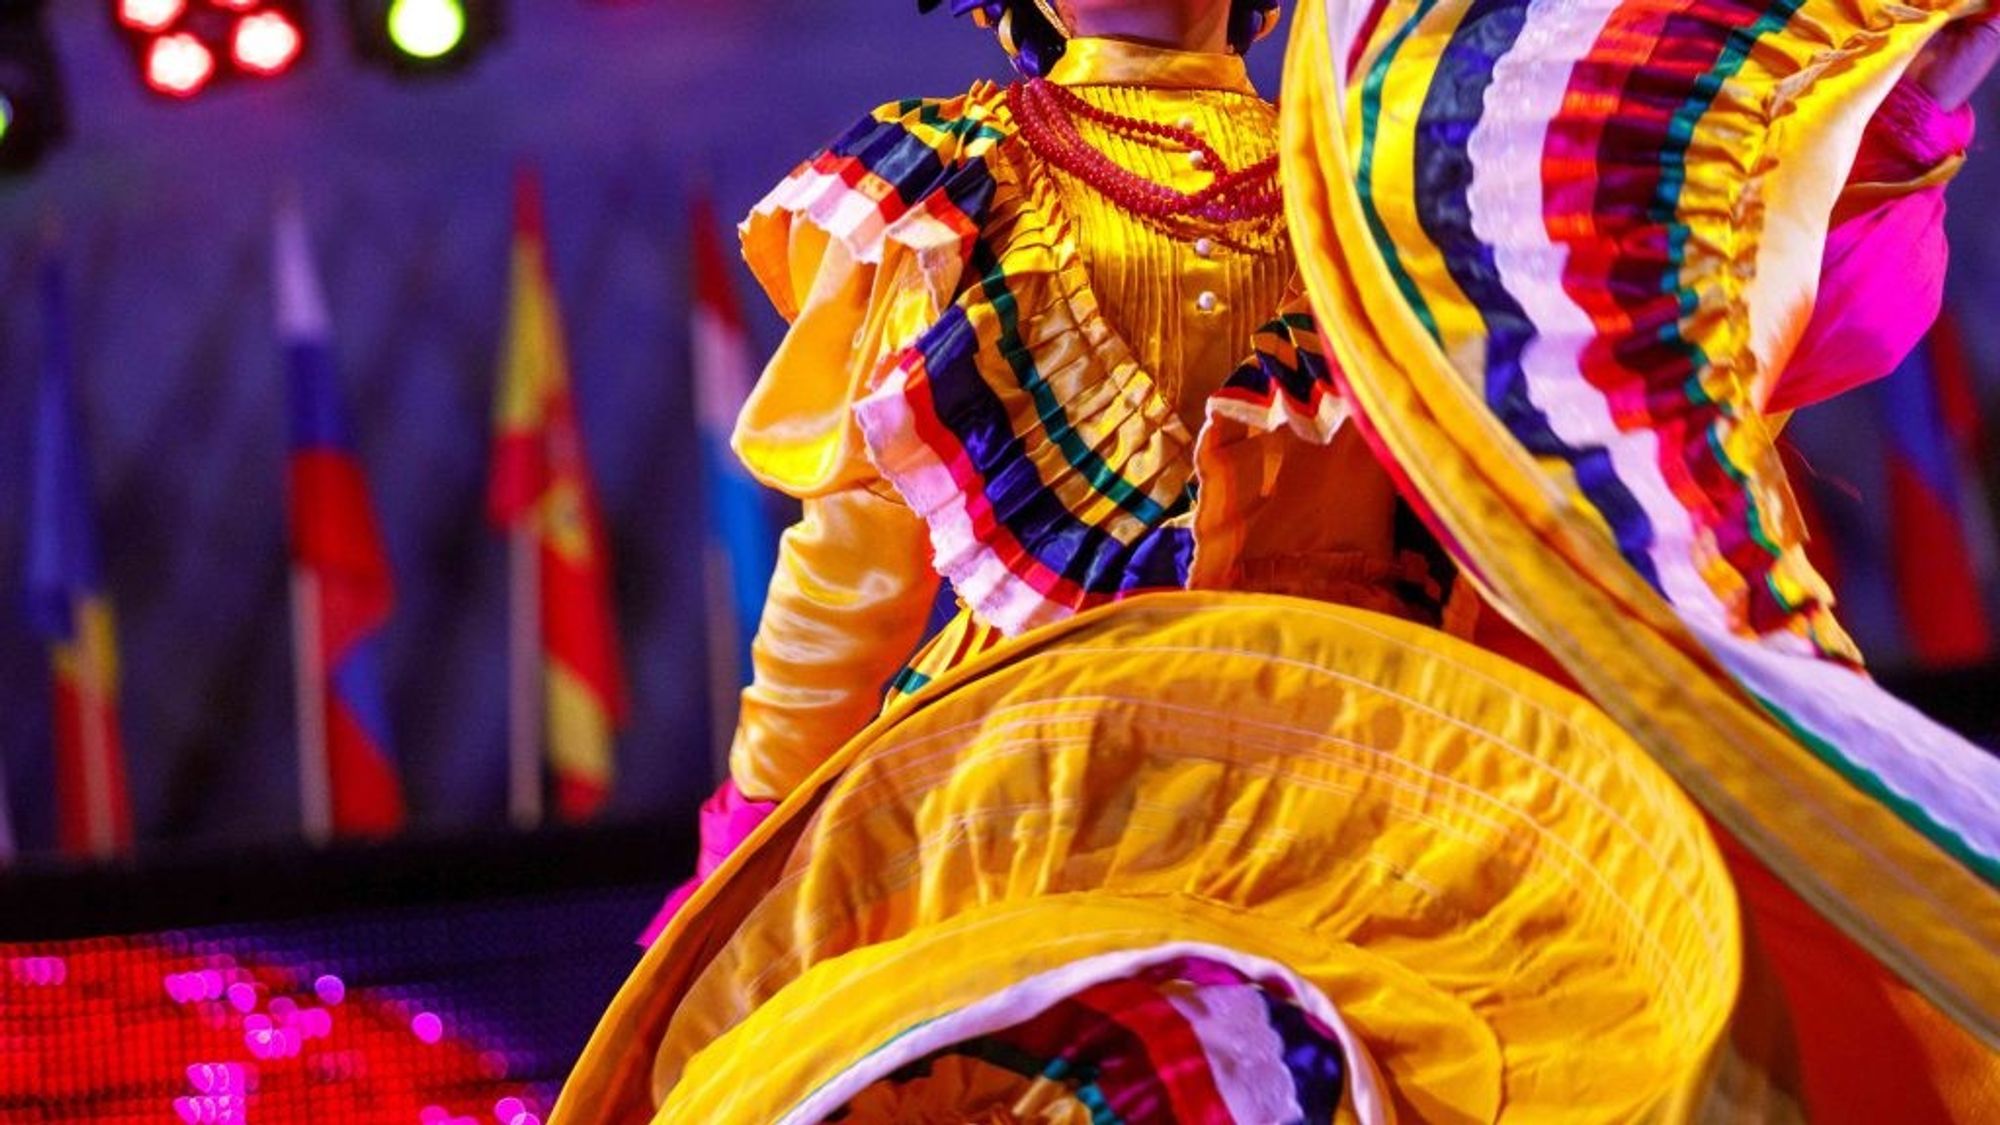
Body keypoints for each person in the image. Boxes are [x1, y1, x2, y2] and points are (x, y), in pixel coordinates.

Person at [588, 0, 2000, 1119]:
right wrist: (757, 834)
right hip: (1032, 786)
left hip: (1366, 757)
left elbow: (1703, 304)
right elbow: (849, 566)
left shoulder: (1393, 183)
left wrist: (1895, 109)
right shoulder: (945, 178)